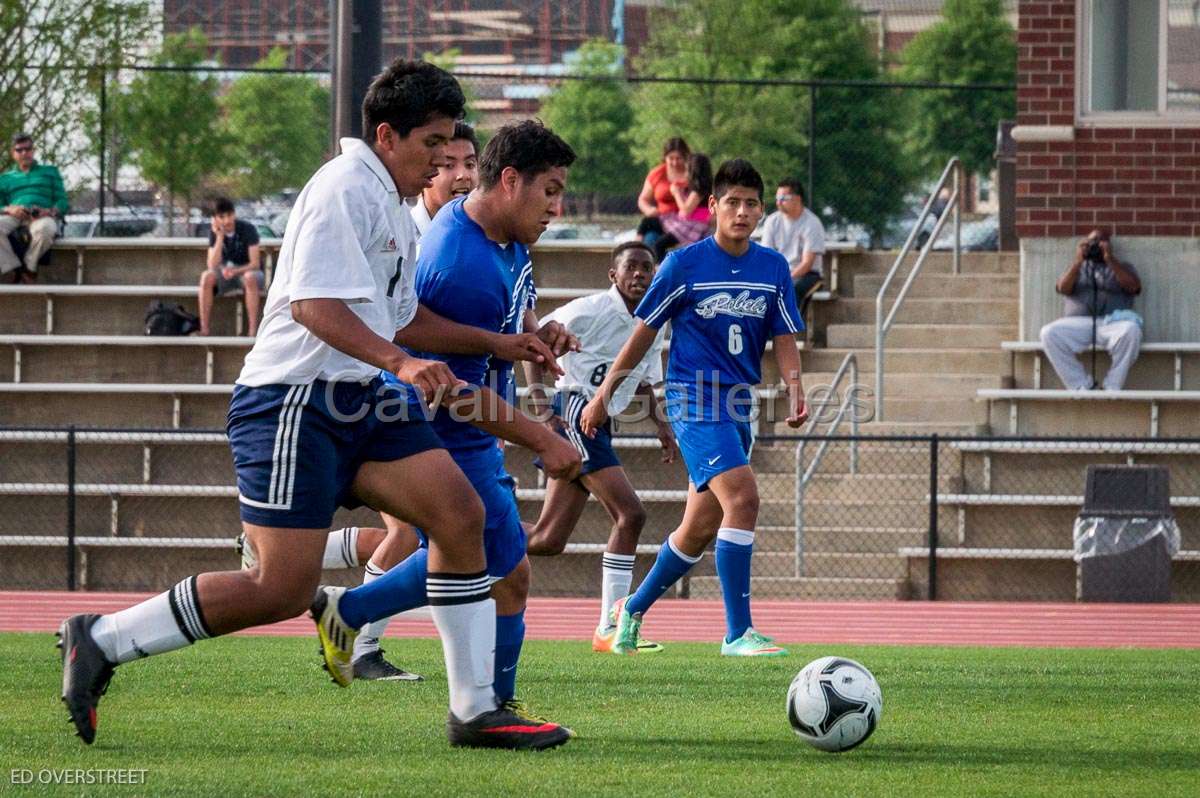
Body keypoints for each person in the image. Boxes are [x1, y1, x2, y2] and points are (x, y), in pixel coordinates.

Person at [58, 59, 572, 751]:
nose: (445, 163)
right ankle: (102, 637)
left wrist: (495, 344)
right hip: (292, 402)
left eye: (454, 146)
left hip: (358, 399)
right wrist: (400, 362)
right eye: (433, 146)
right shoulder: (344, 188)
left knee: (462, 517)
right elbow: (312, 305)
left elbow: (405, 317)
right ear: (387, 136)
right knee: (278, 587)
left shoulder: (392, 202)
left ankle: (476, 711)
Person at [324, 119, 583, 729]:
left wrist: (534, 334)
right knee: (505, 571)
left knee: (487, 562)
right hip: (444, 426)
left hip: (472, 425)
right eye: (550, 190)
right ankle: (489, 708)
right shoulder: (459, 259)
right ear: (511, 181)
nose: (557, 206)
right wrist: (540, 437)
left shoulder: (505, 235)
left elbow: (502, 318)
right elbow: (440, 375)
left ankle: (350, 610)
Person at [581, 158, 809, 657]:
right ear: (712, 207)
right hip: (692, 397)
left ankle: (629, 614)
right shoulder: (683, 264)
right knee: (744, 500)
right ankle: (737, 633)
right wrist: (604, 397)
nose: (743, 212)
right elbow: (643, 334)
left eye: (752, 203)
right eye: (733, 202)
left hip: (739, 403)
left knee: (699, 528)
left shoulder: (772, 267)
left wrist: (794, 385)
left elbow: (785, 335)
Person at [523, 241, 677, 653]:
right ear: (613, 275)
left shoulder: (653, 321)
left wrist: (662, 426)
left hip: (599, 423)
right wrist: (542, 411)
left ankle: (469, 537)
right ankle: (612, 625)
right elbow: (532, 344)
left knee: (547, 540)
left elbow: (642, 378)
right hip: (574, 410)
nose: (640, 275)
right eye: (631, 268)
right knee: (630, 515)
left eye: (647, 268)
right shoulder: (587, 310)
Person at [1039, 228, 1142, 391]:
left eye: (1100, 242)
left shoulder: (1122, 266)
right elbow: (1063, 288)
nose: (1095, 246)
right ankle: (1080, 385)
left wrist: (1110, 259)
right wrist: (1078, 262)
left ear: (1109, 245)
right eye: (1092, 242)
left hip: (1112, 323)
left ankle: (1112, 385)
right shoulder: (1076, 267)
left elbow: (1134, 287)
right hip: (1078, 323)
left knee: (1132, 330)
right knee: (1048, 333)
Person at [0, 133, 67, 283]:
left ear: (33, 150)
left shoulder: (50, 172)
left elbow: (62, 201)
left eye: (28, 149)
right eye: (19, 150)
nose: (24, 153)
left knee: (46, 230)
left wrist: (49, 211)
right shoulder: (5, 178)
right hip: (15, 215)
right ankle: (12, 268)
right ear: (13, 153)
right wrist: (9, 209)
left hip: (42, 216)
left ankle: (29, 269)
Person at [760, 178, 826, 318]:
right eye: (777, 197)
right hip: (780, 273)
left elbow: (807, 263)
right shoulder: (772, 221)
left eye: (783, 198)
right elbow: (766, 257)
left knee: (791, 288)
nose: (778, 202)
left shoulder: (812, 223)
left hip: (808, 275)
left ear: (797, 199)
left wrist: (786, 278)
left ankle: (787, 332)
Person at [198, 197, 264, 336]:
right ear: (215, 219)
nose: (227, 220)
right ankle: (204, 328)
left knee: (250, 277)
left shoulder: (248, 229)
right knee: (206, 277)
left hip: (247, 272)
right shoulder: (214, 233)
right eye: (222, 217)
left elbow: (255, 263)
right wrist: (220, 237)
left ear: (234, 214)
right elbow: (211, 264)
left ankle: (252, 330)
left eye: (229, 215)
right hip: (225, 274)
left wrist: (235, 271)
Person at [409, 121, 478, 237]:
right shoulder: (402, 233)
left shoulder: (488, 235)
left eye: (470, 165)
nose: (463, 175)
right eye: (448, 165)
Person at [652, 152, 713, 263]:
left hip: (692, 226)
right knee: (651, 223)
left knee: (659, 245)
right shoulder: (701, 187)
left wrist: (676, 193)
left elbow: (685, 212)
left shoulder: (698, 191)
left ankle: (660, 270)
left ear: (692, 171)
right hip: (693, 223)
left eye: (687, 169)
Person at [635, 136, 690, 249]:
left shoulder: (693, 173)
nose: (674, 163)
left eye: (678, 158)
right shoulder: (657, 174)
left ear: (686, 157)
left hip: (686, 223)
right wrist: (649, 210)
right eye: (671, 158)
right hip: (662, 221)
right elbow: (643, 199)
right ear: (665, 157)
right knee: (650, 238)